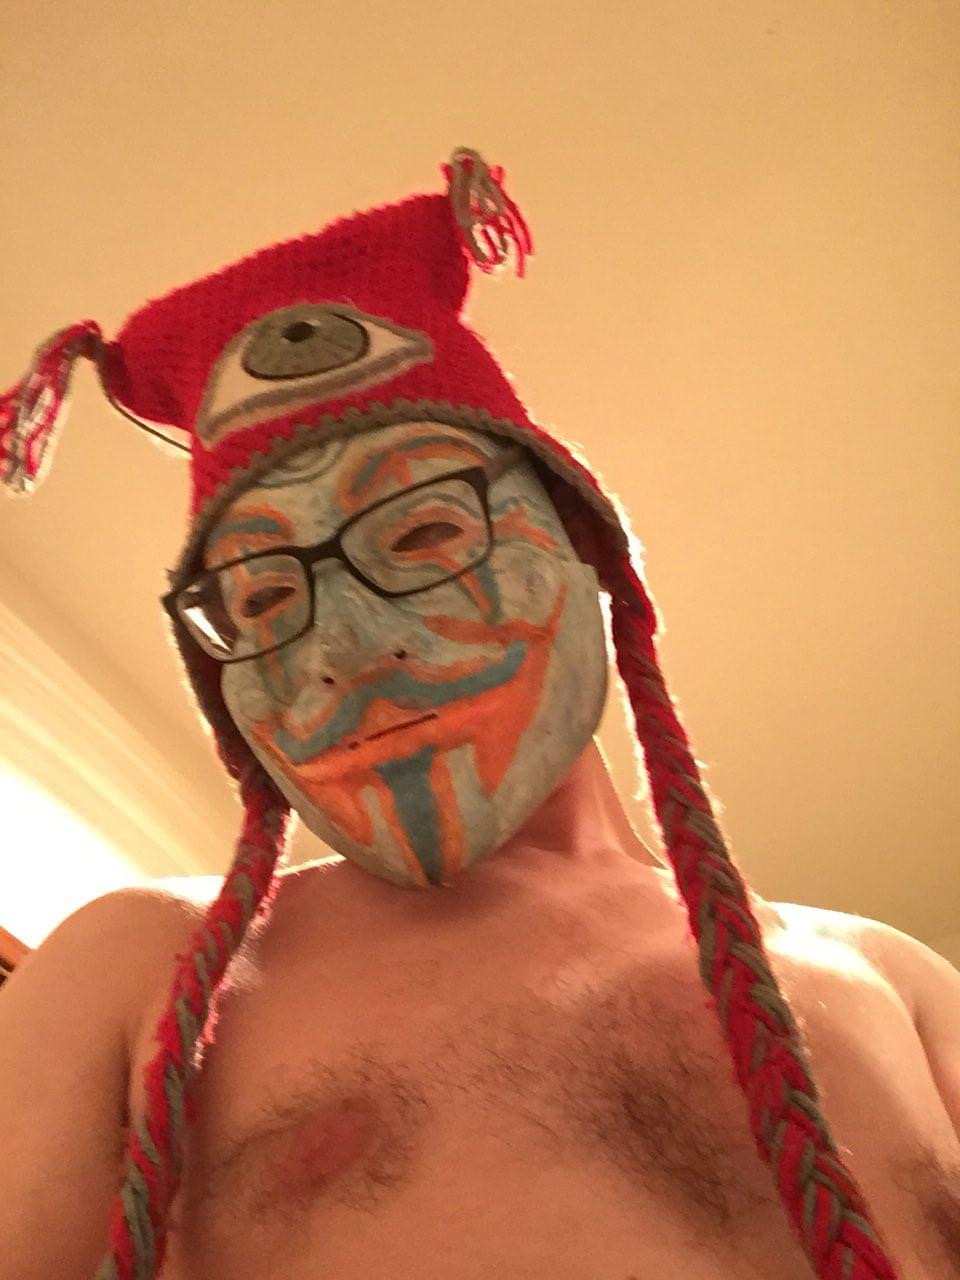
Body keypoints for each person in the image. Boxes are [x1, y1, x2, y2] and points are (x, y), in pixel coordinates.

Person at [1, 147, 955, 1280]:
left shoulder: (898, 982)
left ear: (585, 548)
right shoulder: (132, 963)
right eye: (259, 599)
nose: (342, 652)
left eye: (422, 533)